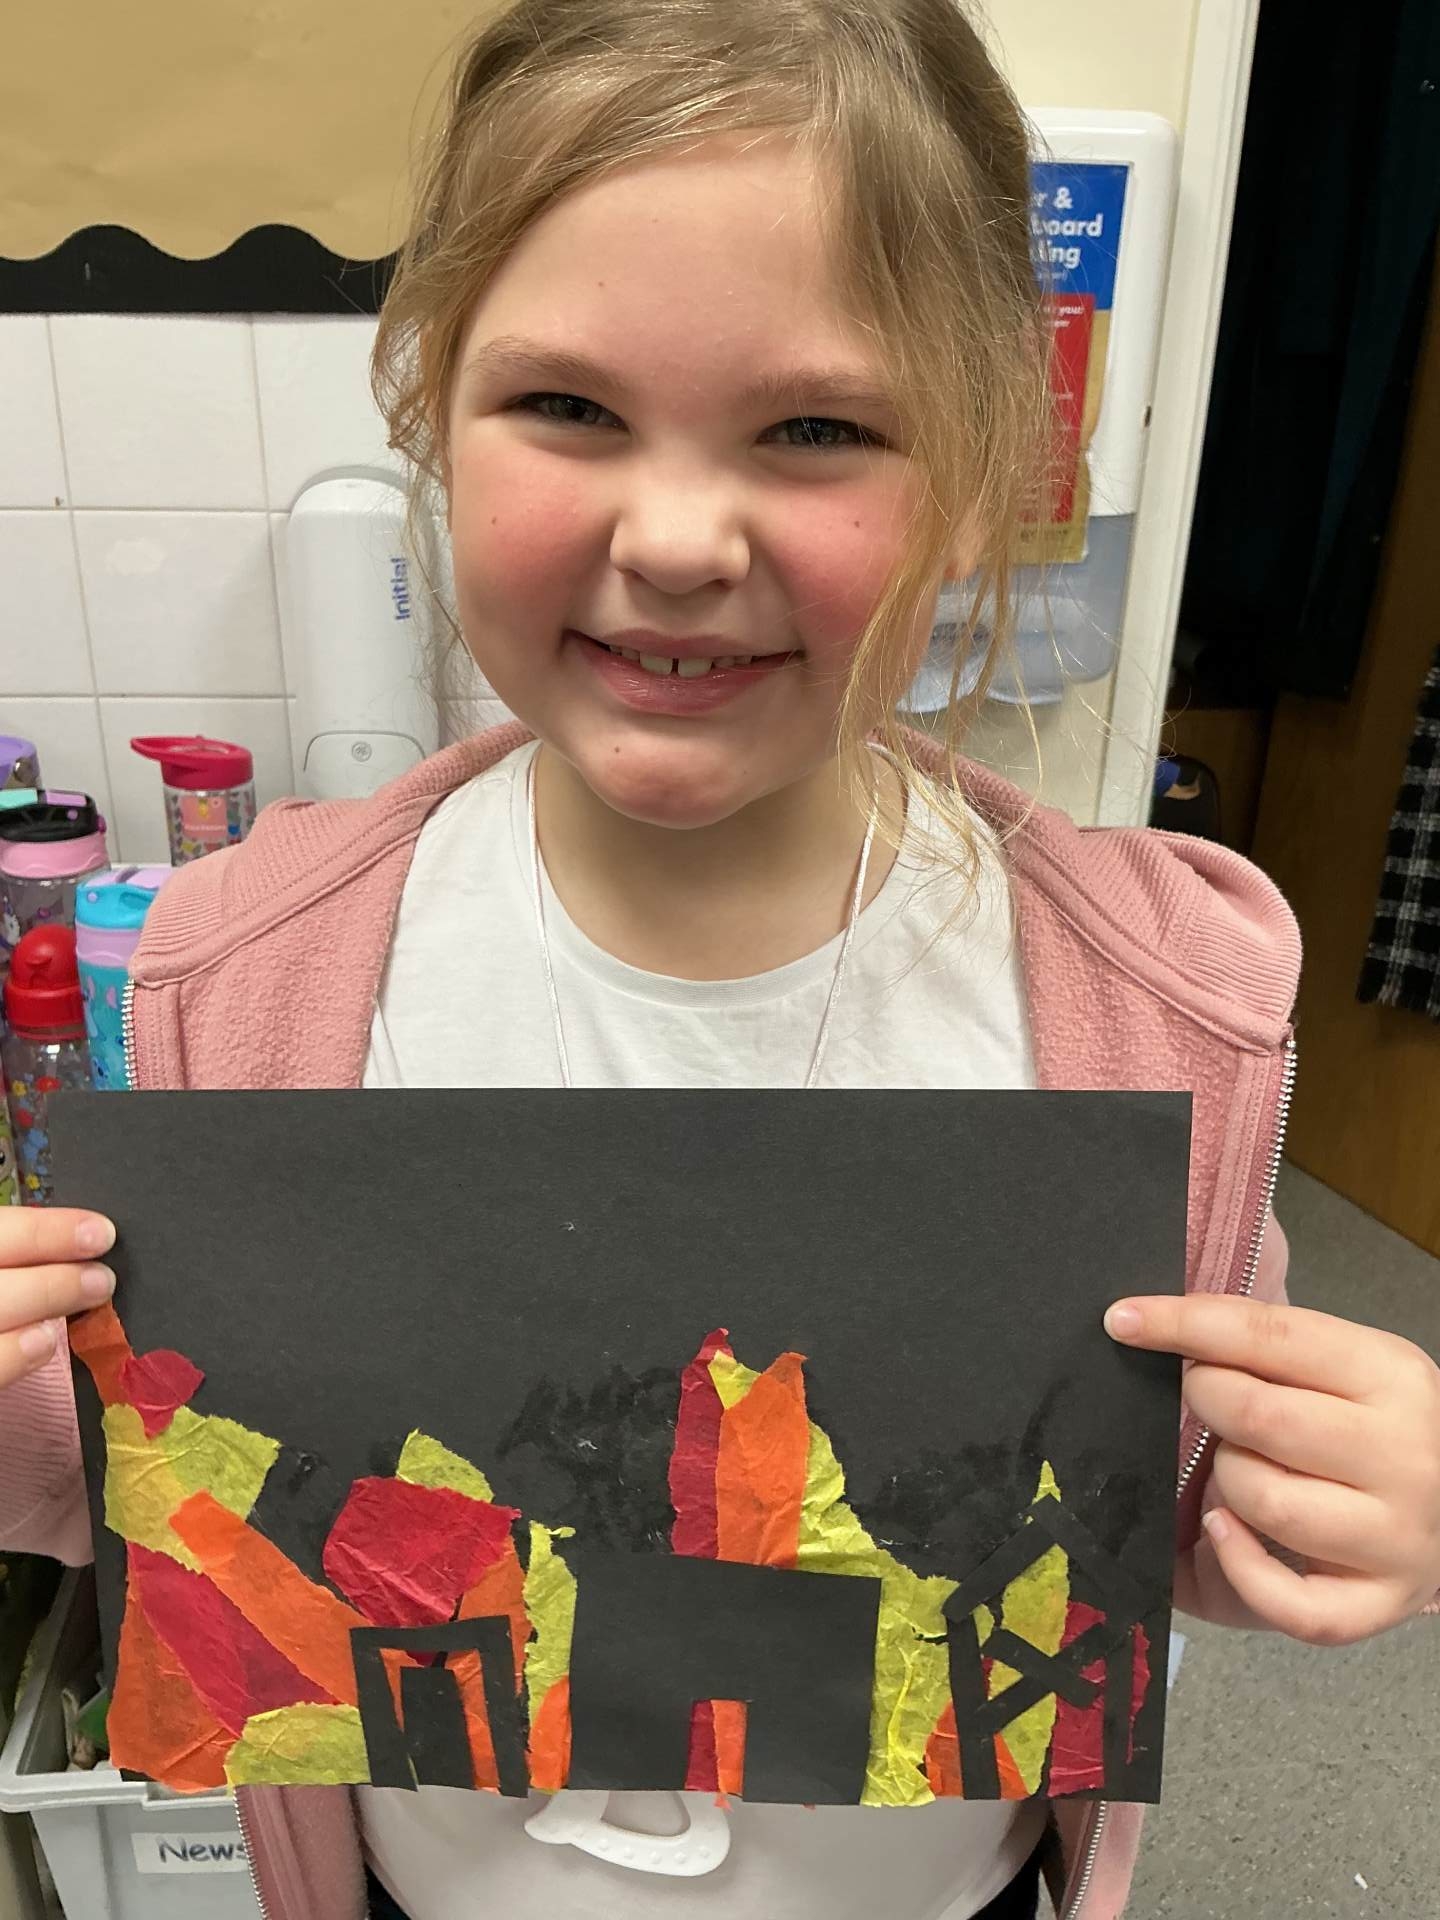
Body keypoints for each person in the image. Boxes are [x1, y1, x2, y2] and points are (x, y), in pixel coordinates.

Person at [2, 2, 1437, 1917]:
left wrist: (1339, 1500)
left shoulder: (1134, 1003)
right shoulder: (254, 976)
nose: (677, 537)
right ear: (431, 407)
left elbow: (1157, 1512)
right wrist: (29, 1422)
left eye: (816, 429)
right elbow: (158, 1487)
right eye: (568, 407)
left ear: (981, 471)